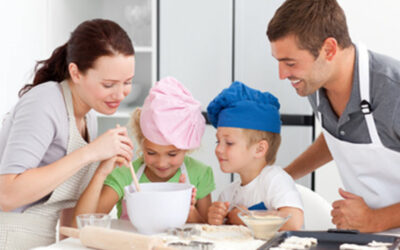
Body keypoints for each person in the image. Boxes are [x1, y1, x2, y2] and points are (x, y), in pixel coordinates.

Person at [267, 0, 400, 233]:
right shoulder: (315, 84)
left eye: (290, 63)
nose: (282, 75)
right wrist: (282, 177)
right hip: (371, 238)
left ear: (328, 49)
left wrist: (374, 220)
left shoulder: (393, 91)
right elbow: (339, 135)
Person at [0, 19, 135, 249]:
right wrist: (91, 153)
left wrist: (102, 168)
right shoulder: (45, 102)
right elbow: (7, 195)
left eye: (127, 82)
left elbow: (70, 223)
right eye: (108, 84)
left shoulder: (88, 116)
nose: (120, 93)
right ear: (76, 72)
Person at [72, 76, 216, 225]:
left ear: (187, 148)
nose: (162, 163)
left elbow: (208, 231)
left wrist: (189, 212)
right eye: (151, 153)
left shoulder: (199, 174)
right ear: (141, 143)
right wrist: (101, 172)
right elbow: (83, 225)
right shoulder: (125, 174)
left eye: (172, 154)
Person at [206, 81, 303, 230]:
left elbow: (294, 221)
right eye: (217, 141)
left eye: (229, 143)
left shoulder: (275, 179)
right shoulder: (228, 195)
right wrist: (216, 219)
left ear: (259, 149)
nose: (219, 149)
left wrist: (248, 217)